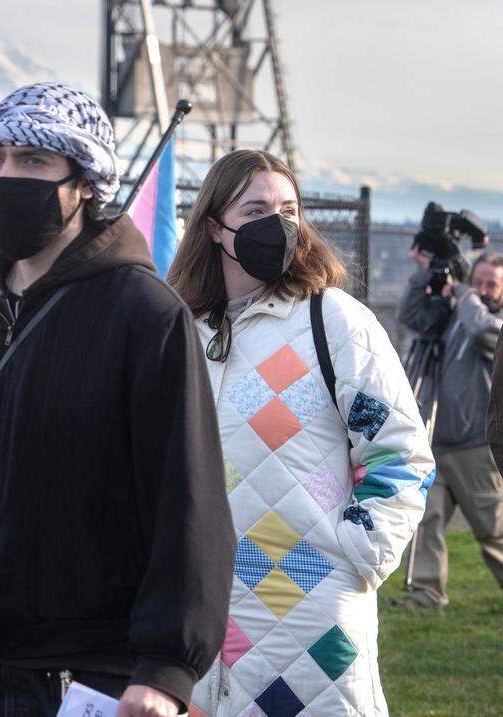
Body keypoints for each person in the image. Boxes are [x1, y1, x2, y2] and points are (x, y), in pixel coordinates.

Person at [0, 82, 235, 717]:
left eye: (34, 161)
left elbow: (187, 499)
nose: (7, 176)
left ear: (85, 182)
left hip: (96, 672)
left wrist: (166, 669)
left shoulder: (144, 315)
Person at [165, 149, 435, 714]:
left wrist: (357, 555)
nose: (278, 224)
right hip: (194, 614)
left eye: (289, 209)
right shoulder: (179, 330)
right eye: (257, 208)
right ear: (215, 227)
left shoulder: (333, 323)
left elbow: (398, 454)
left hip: (310, 608)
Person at [397, 249, 503, 607]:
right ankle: (427, 593)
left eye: (492, 284)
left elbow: (480, 327)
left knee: (495, 531)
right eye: (478, 282)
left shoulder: (492, 324)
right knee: (427, 521)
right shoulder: (455, 312)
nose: (484, 289)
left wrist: (464, 293)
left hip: (476, 446)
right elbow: (410, 314)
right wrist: (425, 275)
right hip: (436, 441)